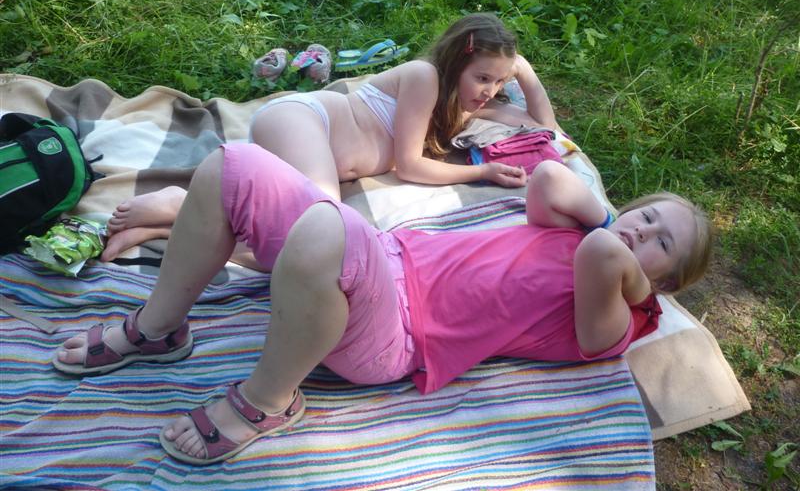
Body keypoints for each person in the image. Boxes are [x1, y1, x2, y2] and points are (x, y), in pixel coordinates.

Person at [53, 143, 713, 465]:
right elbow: (547, 177)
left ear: (666, 284)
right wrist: (608, 218)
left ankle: (267, 400)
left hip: (396, 332)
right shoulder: (583, 231)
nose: (640, 233)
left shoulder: (620, 316)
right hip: (387, 260)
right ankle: (159, 328)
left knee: (327, 229)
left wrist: (629, 271)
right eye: (645, 216)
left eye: (661, 243)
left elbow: (602, 259)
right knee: (234, 164)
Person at [100, 13, 557, 261]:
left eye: (499, 81)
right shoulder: (425, 77)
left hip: (305, 146)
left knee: (289, 248)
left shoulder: (465, 105)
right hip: (303, 121)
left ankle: (169, 225)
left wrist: (525, 73)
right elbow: (410, 166)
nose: (490, 91)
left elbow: (547, 129)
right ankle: (180, 203)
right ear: (457, 62)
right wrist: (483, 172)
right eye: (482, 77)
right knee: (321, 234)